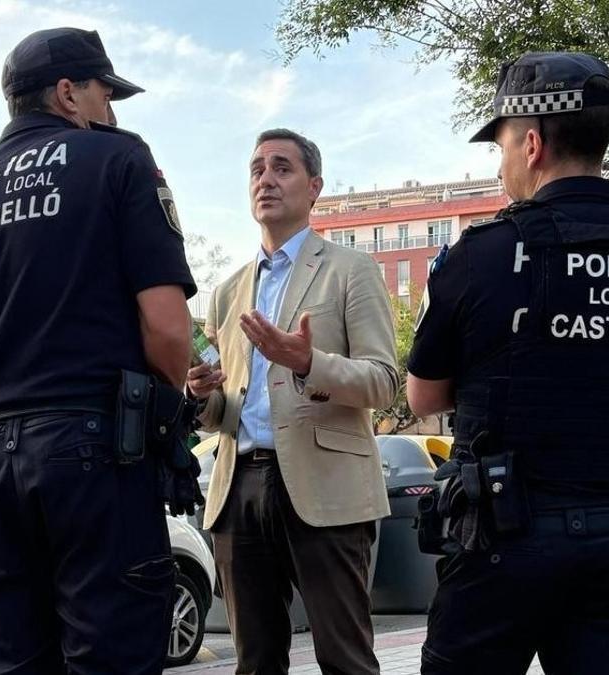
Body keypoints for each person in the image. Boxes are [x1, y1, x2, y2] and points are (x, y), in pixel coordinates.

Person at [0, 27, 196, 675]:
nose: (111, 113)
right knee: (112, 655)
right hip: (96, 451)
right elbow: (169, 331)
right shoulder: (118, 160)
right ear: (68, 94)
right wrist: (162, 410)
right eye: (105, 95)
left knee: (7, 659)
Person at [407, 52, 609, 674]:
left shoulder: (480, 255)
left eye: (500, 147)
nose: (500, 165)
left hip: (501, 541)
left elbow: (423, 397)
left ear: (531, 145)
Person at [187, 128, 398, 675]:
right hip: (238, 485)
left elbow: (384, 382)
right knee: (255, 662)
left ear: (314, 187)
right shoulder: (228, 290)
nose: (266, 179)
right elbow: (227, 407)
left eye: (282, 167)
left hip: (327, 484)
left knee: (345, 659)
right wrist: (200, 395)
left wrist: (308, 363)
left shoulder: (352, 270)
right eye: (257, 169)